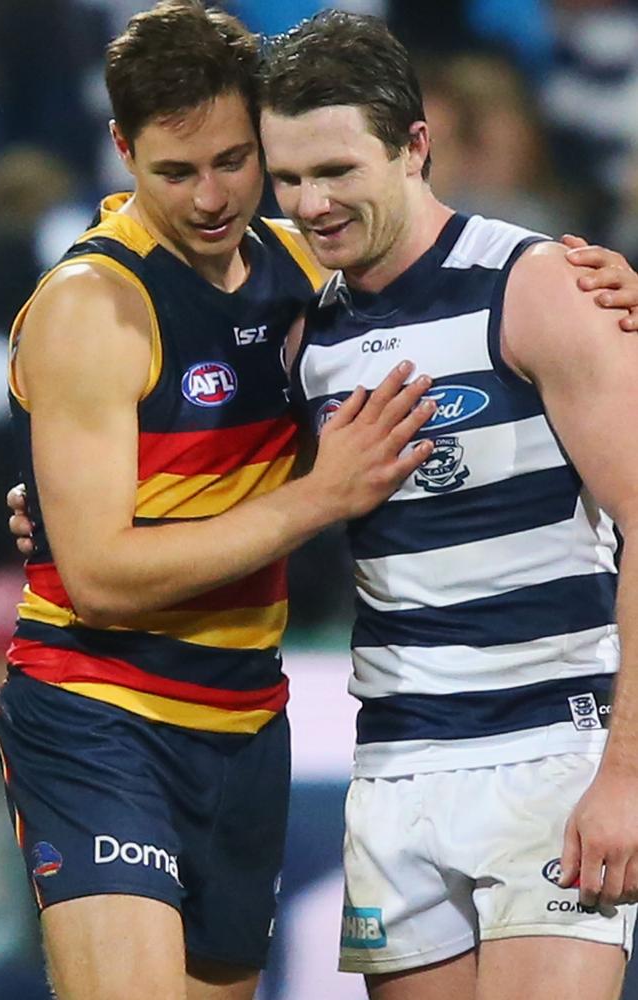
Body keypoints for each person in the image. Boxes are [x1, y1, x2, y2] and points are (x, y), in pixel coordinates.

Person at [0, 4, 440, 1000]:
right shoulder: (93, 307)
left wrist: (587, 269)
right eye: (174, 171)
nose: (209, 199)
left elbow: (456, 265)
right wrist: (317, 496)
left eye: (233, 162)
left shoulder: (294, 263)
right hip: (99, 711)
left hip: (243, 720)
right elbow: (102, 578)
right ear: (121, 149)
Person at [256, 10, 638, 999]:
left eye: (335, 170)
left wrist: (625, 774)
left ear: (414, 144)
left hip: (550, 755)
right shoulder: (303, 333)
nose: (309, 202)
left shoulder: (538, 286)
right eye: (287, 177)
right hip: (392, 766)